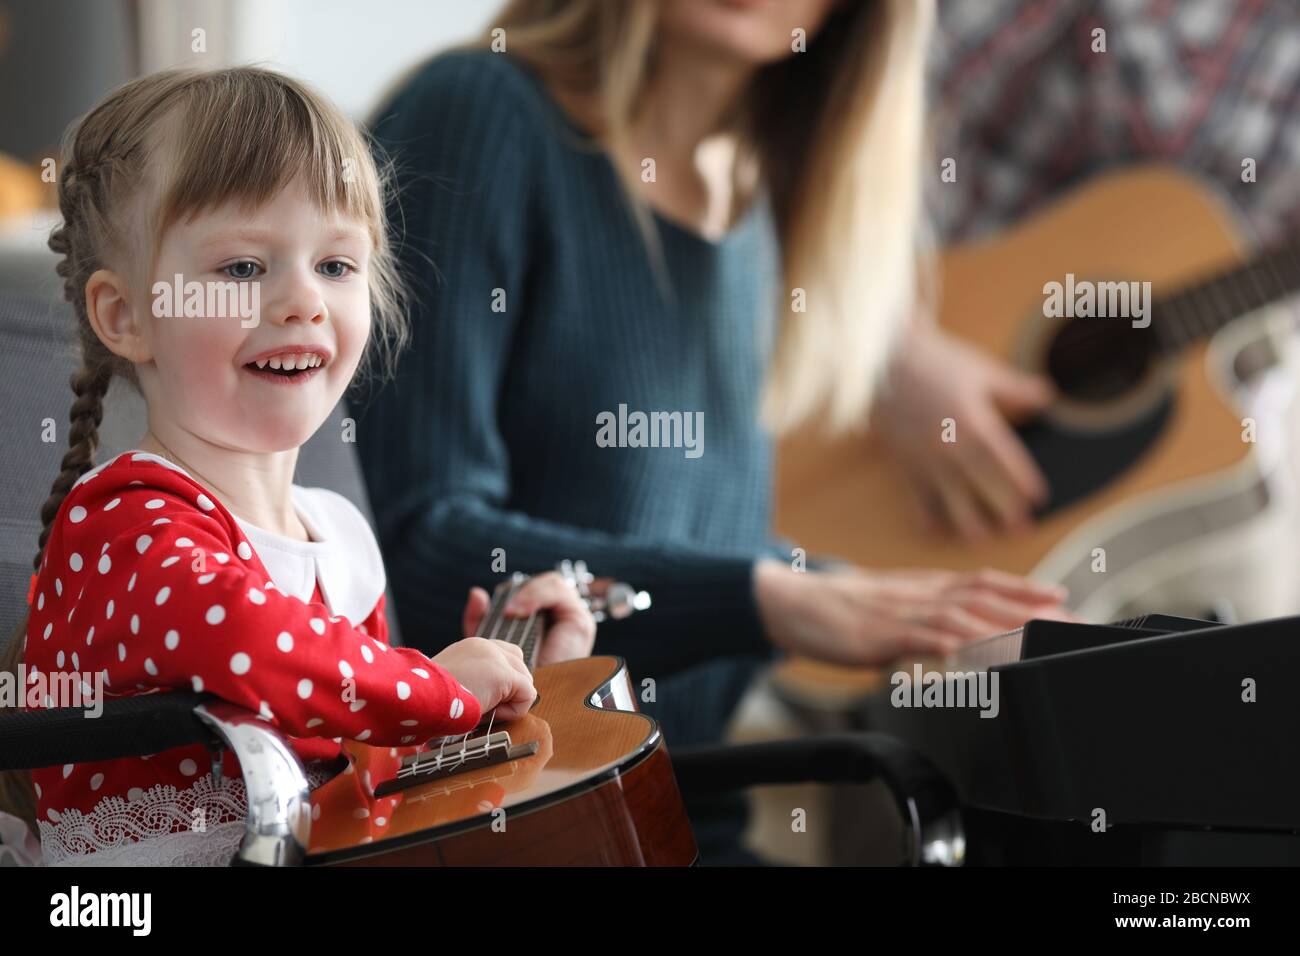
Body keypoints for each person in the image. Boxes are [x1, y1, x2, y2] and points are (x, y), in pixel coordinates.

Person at [355, 0, 1071, 860]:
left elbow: (673, 544)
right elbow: (411, 549)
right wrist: (768, 597)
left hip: (691, 823)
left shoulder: (758, 206)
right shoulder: (477, 113)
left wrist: (883, 612)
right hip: (511, 829)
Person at [0, 66, 595, 865]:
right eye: (244, 268)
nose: (302, 301)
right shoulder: (121, 521)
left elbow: (358, 776)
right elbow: (256, 642)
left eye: (337, 266)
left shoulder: (339, 535)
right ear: (126, 315)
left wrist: (509, 681)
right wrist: (438, 687)